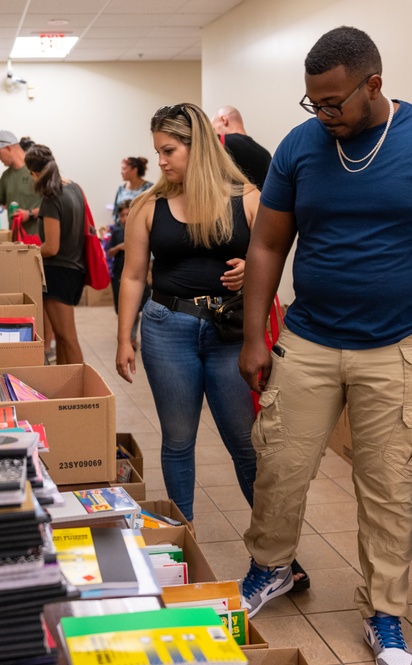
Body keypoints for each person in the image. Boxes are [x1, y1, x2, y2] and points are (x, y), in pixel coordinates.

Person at [236, 26, 412, 665]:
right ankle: (270, 567)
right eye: (313, 103)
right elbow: (268, 244)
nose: (322, 115)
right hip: (307, 340)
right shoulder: (300, 148)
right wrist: (256, 335)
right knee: (280, 465)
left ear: (374, 85)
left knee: (389, 487)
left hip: (400, 346)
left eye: (333, 103)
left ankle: (384, 614)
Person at [115, 101, 259, 525]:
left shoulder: (247, 199)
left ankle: (276, 550)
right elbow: (133, 276)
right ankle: (182, 538)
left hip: (229, 332)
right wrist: (126, 337)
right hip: (166, 328)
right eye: (157, 150)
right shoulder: (147, 205)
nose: (160, 160)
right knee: (178, 441)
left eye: (169, 151)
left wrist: (254, 269)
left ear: (197, 149)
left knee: (245, 444)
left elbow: (274, 253)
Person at [23, 144, 85, 365]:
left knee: (68, 338)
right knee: (61, 337)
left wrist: (28, 252)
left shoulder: (51, 198)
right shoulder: (74, 188)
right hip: (75, 269)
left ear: (33, 173)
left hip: (58, 272)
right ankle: (67, 386)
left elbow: (51, 247)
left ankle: (82, 392)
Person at [106, 199, 149, 347]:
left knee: (137, 308)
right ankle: (126, 336)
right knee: (122, 308)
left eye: (127, 214)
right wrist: (119, 247)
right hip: (119, 275)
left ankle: (132, 338)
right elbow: (109, 253)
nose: (125, 218)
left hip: (137, 275)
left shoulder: (141, 229)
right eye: (122, 215)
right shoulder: (117, 233)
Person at [0, 130, 42, 218]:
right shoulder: (6, 176)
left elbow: (55, 206)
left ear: (8, 148)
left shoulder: (39, 169)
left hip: (37, 232)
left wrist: (29, 214)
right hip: (14, 232)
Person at [210, 106, 272, 189]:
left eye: (214, 129)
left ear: (224, 120)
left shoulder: (221, 142)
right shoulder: (265, 155)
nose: (214, 133)